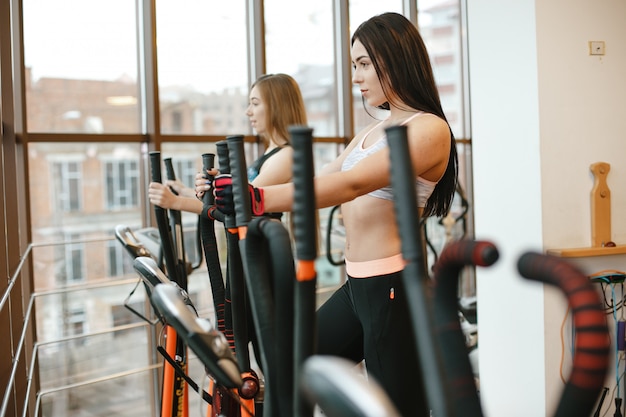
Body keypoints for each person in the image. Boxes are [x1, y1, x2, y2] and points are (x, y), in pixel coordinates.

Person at [201, 12, 458, 416]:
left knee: (396, 408)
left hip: (394, 287)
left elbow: (352, 184)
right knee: (297, 367)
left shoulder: (429, 130)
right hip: (357, 286)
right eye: (354, 65)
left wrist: (255, 200)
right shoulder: (371, 131)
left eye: (363, 64)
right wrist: (238, 190)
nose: (355, 77)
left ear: (396, 57)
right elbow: (318, 180)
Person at [148, 73, 307, 213]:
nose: (248, 111)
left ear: (277, 107)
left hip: (266, 243)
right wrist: (186, 190)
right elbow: (236, 197)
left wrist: (175, 202)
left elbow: (239, 205)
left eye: (255, 103)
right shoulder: (273, 151)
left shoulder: (287, 155)